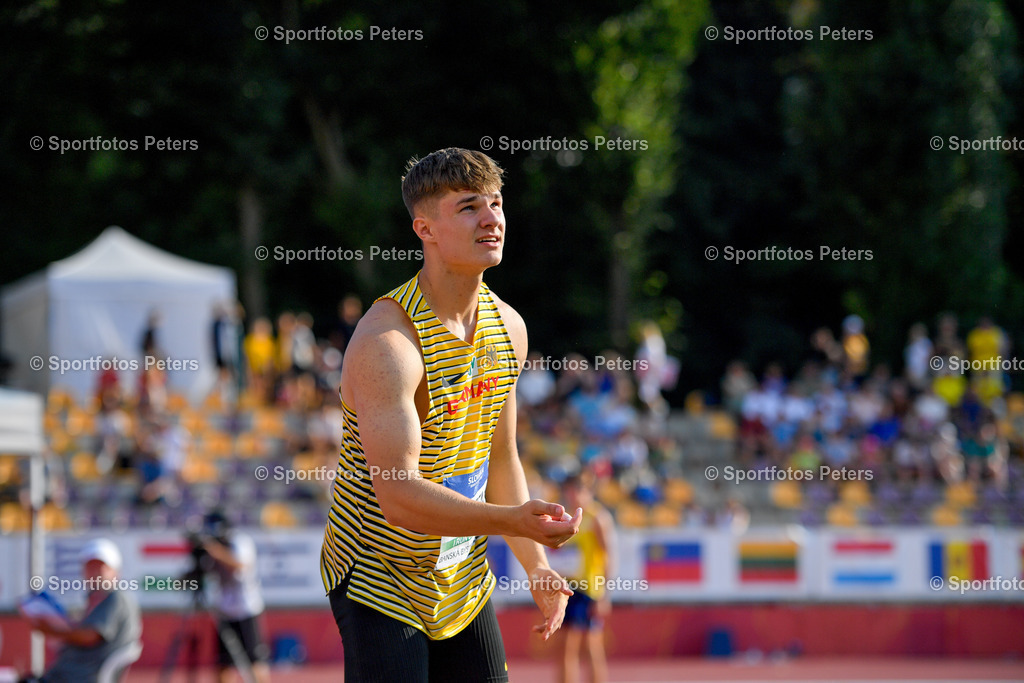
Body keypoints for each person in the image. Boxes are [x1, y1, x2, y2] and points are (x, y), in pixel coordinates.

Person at [320, 147, 583, 682]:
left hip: (460, 572)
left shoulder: (508, 327)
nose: (492, 219)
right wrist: (511, 521)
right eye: (468, 208)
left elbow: (501, 458)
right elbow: (398, 496)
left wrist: (536, 567)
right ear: (425, 228)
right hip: (379, 574)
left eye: (496, 203)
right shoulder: (387, 343)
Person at [20, 539, 141, 683]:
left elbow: (89, 636)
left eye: (101, 567)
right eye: (90, 567)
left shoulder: (115, 599)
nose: (95, 572)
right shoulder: (97, 600)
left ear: (115, 572)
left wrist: (51, 630)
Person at [556, 472, 615, 683]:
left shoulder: (597, 517)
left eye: (577, 491)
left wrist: (604, 594)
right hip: (568, 587)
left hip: (589, 589)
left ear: (587, 492)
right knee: (565, 646)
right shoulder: (567, 518)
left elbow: (607, 556)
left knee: (591, 646)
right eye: (569, 491)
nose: (573, 496)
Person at [199, 510, 271, 683]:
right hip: (224, 611)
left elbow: (239, 565)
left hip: (246, 609)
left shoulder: (239, 541)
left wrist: (215, 551)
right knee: (223, 664)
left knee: (254, 661)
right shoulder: (213, 546)